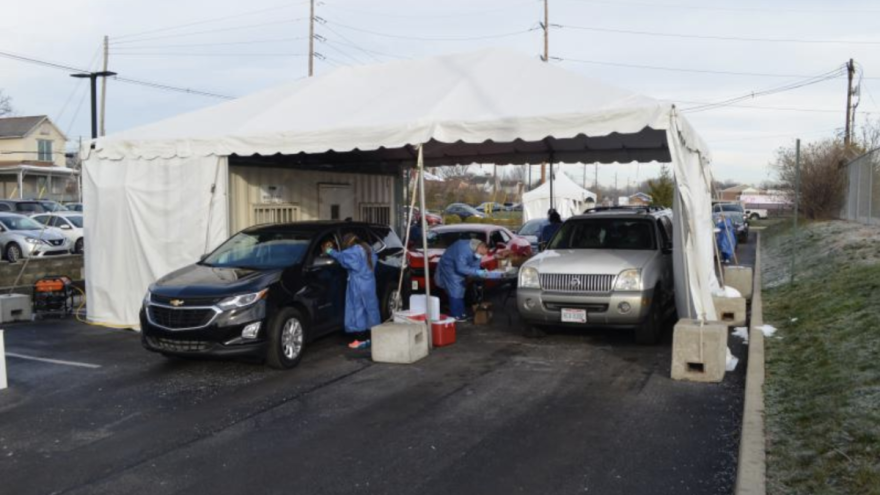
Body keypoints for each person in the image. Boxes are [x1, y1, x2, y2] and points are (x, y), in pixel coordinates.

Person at [323, 233, 381, 349]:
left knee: (357, 310)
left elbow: (342, 257)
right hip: (369, 282)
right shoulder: (367, 248)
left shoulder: (353, 251)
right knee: (371, 309)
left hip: (358, 283)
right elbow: (374, 261)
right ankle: (374, 337)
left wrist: (329, 251)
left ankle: (360, 340)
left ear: (348, 242)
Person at [435, 238, 499, 322]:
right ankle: (455, 315)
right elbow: (460, 268)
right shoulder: (463, 249)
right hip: (450, 267)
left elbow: (475, 264)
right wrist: (478, 272)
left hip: (461, 267)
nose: (481, 255)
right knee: (455, 290)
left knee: (461, 289)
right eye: (481, 253)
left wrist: (474, 274)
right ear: (481, 247)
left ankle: (461, 313)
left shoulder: (477, 250)